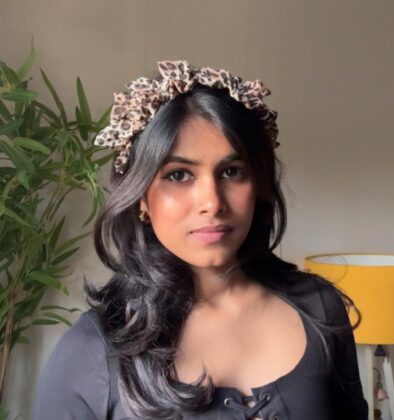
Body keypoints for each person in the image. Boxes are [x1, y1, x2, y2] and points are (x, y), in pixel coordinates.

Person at [32, 60, 369, 420]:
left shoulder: (318, 309)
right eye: (179, 175)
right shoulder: (91, 352)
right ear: (141, 197)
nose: (212, 202)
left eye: (231, 172)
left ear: (258, 184)